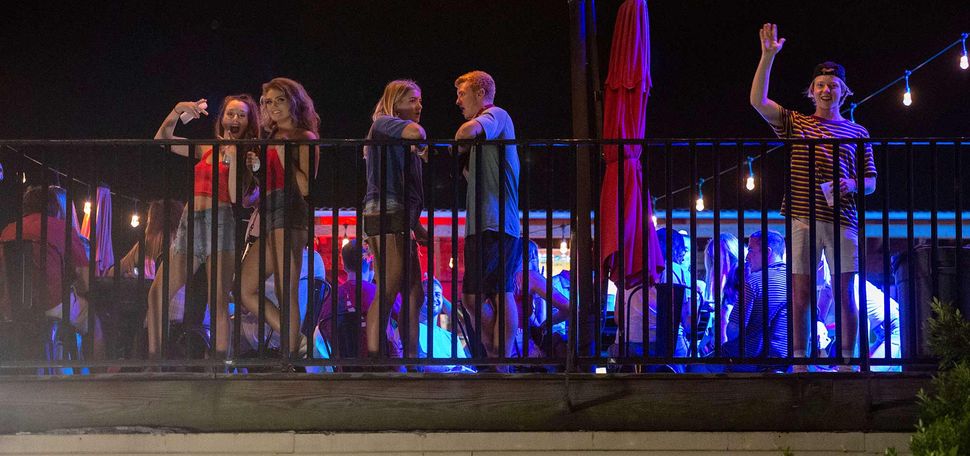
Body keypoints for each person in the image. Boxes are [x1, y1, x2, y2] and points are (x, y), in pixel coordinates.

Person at [750, 23, 877, 372]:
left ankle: (848, 363)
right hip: (802, 216)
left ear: (844, 92)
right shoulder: (798, 123)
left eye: (833, 85)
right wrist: (767, 56)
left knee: (844, 293)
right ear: (811, 90)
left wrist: (852, 184)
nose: (826, 90)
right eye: (820, 85)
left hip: (843, 221)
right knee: (801, 292)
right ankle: (801, 362)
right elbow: (758, 102)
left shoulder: (857, 131)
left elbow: (871, 181)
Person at [147, 94, 259, 361]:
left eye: (241, 115)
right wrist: (176, 110)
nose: (234, 119)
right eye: (230, 113)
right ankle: (154, 362)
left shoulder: (249, 154)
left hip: (220, 221)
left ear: (248, 123)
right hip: (190, 221)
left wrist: (234, 157)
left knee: (218, 301)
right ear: (221, 119)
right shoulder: (206, 148)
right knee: (156, 294)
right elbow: (162, 140)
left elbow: (235, 198)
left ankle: (220, 365)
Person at [238, 77, 320, 360]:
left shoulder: (304, 137)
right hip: (270, 212)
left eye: (279, 100)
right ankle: (296, 343)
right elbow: (271, 182)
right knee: (244, 288)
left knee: (287, 290)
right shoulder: (270, 138)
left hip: (291, 214)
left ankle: (288, 357)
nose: (272, 106)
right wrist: (258, 167)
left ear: (293, 102)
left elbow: (306, 186)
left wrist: (283, 157)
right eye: (268, 101)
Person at [453, 70, 522, 367]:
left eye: (462, 94)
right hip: (483, 222)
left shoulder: (496, 114)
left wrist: (462, 141)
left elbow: (463, 134)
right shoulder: (487, 137)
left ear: (480, 94)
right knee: (479, 295)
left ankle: (499, 357)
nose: (458, 101)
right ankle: (496, 354)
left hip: (496, 222)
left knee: (493, 291)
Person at [362, 79, 429, 363]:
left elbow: (410, 189)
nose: (418, 106)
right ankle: (376, 360)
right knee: (389, 288)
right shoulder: (383, 123)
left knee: (416, 292)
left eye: (419, 100)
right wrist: (421, 139)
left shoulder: (398, 136)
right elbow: (417, 131)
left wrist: (417, 226)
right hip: (384, 212)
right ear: (395, 101)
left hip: (399, 215)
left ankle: (412, 358)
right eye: (412, 99)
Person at [1, 185, 100, 359]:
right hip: (51, 304)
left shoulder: (8, 230)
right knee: (92, 318)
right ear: (53, 206)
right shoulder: (62, 228)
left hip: (11, 306)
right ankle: (100, 372)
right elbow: (86, 282)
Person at [721, 230, 789, 373]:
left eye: (751, 250)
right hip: (786, 361)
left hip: (752, 360)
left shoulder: (755, 281)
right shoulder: (795, 281)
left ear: (767, 252)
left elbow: (733, 330)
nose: (746, 257)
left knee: (697, 367)